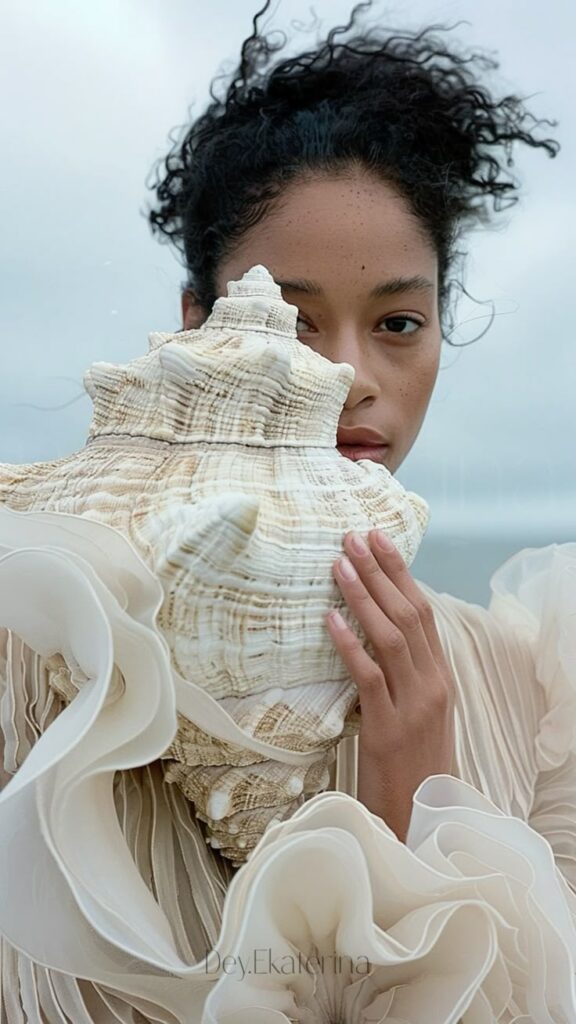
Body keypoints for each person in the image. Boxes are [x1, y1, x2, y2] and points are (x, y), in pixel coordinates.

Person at [1, 2, 576, 1021]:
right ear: (198, 325)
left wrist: (415, 811)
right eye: (296, 322)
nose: (352, 376)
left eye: (399, 321)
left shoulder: (539, 698)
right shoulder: (35, 652)